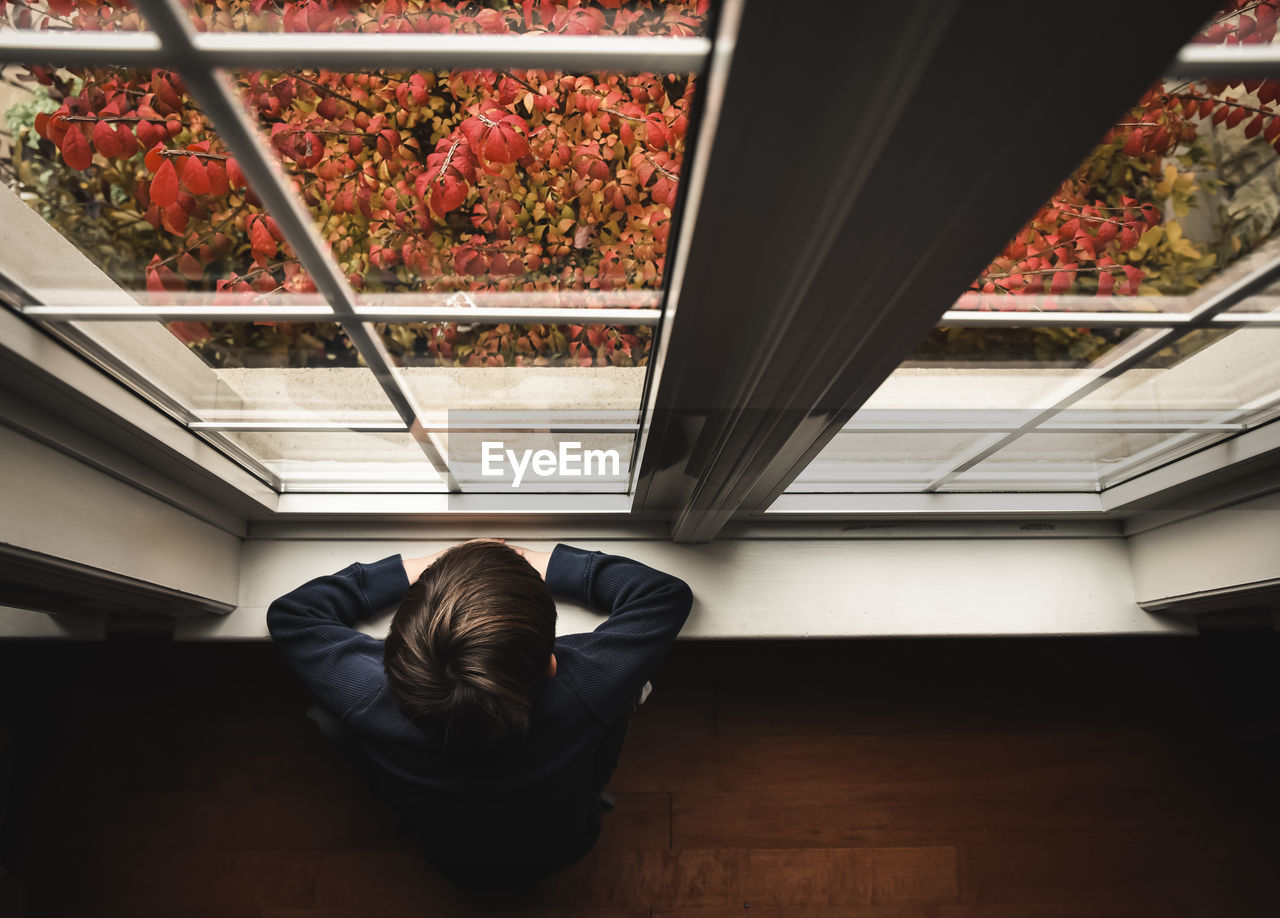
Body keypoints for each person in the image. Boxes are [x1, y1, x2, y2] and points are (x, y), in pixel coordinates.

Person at [265, 539, 693, 892]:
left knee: (329, 717)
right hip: (564, 846)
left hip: (446, 857)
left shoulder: (370, 694)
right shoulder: (583, 688)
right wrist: (530, 560)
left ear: (394, 657)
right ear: (551, 664)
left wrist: (426, 565)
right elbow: (663, 594)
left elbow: (292, 612)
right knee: (626, 690)